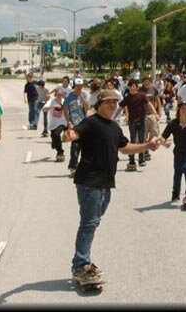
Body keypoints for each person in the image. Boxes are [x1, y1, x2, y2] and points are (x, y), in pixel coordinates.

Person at [63, 89, 161, 283]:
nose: (112, 105)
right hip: (89, 182)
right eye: (108, 102)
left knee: (93, 222)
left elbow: (124, 148)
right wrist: (69, 135)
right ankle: (81, 264)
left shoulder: (114, 127)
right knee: (89, 223)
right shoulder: (91, 122)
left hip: (106, 183)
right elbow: (76, 132)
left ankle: (82, 262)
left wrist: (147, 146)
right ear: (99, 104)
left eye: (115, 102)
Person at [116, 79, 158, 171]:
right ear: (129, 87)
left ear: (136, 87)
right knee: (133, 140)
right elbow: (120, 108)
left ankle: (141, 160)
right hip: (132, 122)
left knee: (142, 140)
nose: (132, 87)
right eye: (131, 86)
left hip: (141, 121)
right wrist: (113, 117)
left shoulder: (142, 95)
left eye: (134, 86)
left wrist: (155, 113)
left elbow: (149, 104)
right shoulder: (127, 98)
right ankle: (131, 160)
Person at [63, 78, 90, 178]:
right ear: (74, 86)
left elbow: (88, 108)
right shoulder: (69, 97)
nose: (79, 88)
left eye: (81, 86)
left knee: (86, 148)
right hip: (74, 125)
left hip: (84, 124)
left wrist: (81, 98)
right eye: (78, 86)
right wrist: (68, 122)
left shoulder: (85, 95)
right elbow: (65, 111)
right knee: (75, 148)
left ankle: (85, 169)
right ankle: (73, 168)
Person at [140, 76, 161, 162]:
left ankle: (148, 144)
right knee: (143, 134)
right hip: (142, 115)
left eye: (148, 81)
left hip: (152, 114)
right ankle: (145, 151)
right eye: (145, 81)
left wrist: (159, 111)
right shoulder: (139, 91)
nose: (146, 83)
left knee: (155, 132)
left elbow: (157, 100)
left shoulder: (153, 89)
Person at [43, 91, 68, 162]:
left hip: (63, 122)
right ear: (55, 95)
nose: (60, 96)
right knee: (54, 137)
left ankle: (60, 153)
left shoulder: (65, 101)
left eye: (61, 95)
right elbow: (44, 109)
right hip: (53, 123)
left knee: (57, 134)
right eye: (58, 95)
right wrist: (53, 106)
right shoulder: (51, 101)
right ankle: (55, 144)